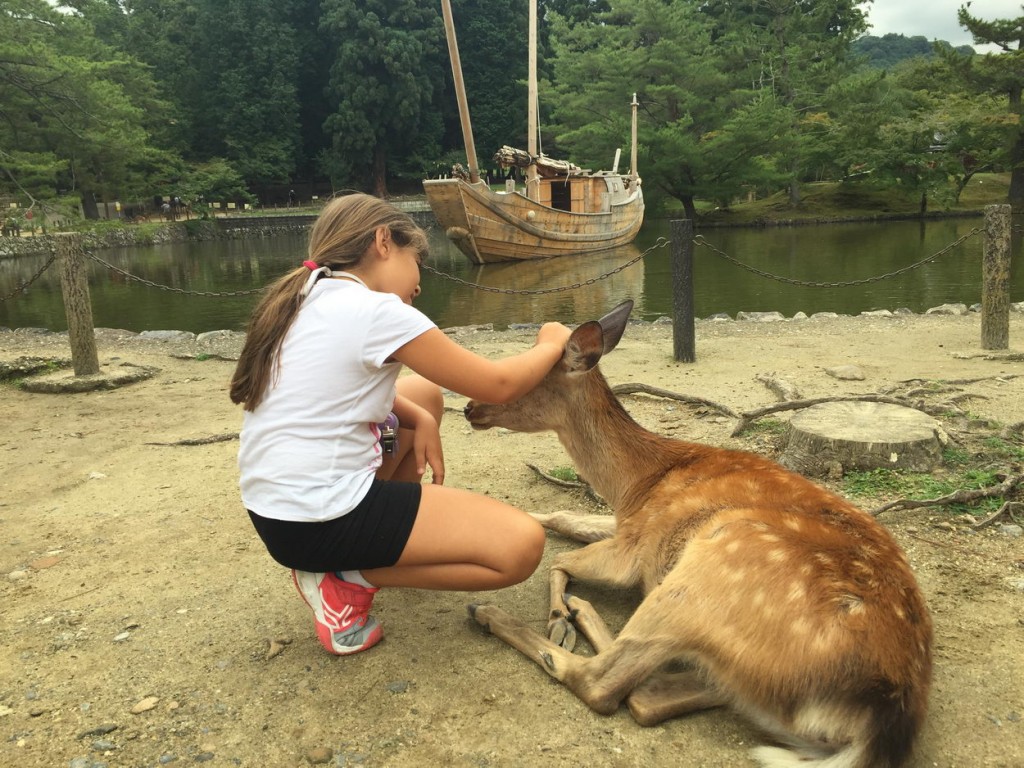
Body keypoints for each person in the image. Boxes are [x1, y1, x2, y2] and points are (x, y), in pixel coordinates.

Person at [229, 192, 571, 656]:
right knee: (521, 547)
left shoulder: (303, 299)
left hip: (277, 515)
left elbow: (337, 391)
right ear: (383, 242)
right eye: (418, 262)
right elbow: (498, 384)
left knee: (422, 395)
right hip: (320, 518)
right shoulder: (376, 312)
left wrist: (422, 419)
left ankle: (349, 555)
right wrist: (552, 342)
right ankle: (345, 578)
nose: (419, 284)